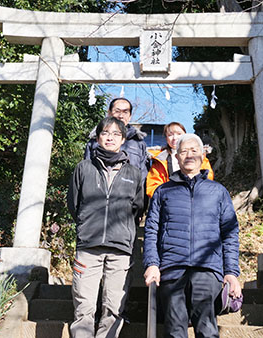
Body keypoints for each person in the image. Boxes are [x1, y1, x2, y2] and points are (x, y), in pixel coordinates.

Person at [143, 133, 241, 338]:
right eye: (184, 151)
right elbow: (151, 230)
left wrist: (231, 272)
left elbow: (230, 233)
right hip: (172, 268)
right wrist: (152, 263)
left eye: (194, 150)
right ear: (176, 157)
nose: (189, 155)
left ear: (203, 155)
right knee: (175, 330)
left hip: (208, 269)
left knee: (206, 329)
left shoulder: (218, 191)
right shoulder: (163, 191)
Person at [68, 116, 145, 338]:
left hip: (120, 248)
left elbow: (137, 208)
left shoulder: (133, 172)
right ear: (98, 137)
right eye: (105, 133)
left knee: (114, 307)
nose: (110, 137)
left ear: (123, 139)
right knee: (84, 307)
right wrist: (86, 223)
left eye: (115, 134)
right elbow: (74, 203)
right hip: (89, 244)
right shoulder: (83, 168)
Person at [84, 97, 150, 179]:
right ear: (109, 113)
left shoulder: (138, 143)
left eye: (125, 112)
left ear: (130, 116)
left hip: (129, 189)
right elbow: (86, 171)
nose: (121, 116)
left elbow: (143, 176)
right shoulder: (96, 141)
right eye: (117, 111)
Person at [146, 122, 214, 198]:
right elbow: (153, 187)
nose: (175, 138)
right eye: (170, 135)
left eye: (179, 134)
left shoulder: (199, 157)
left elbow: (208, 179)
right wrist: (166, 198)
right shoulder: (160, 160)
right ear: (166, 138)